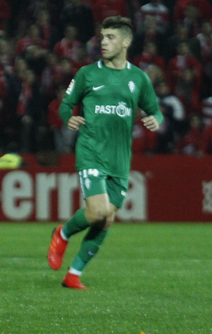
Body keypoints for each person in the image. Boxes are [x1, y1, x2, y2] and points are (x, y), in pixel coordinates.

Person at [48, 16, 163, 289]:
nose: (103, 42)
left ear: (126, 42)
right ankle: (62, 234)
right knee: (98, 210)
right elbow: (65, 105)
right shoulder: (87, 74)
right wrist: (69, 118)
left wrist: (155, 118)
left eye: (110, 37)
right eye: (102, 36)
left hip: (119, 160)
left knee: (107, 218)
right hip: (91, 151)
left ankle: (73, 274)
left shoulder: (139, 78)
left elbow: (154, 108)